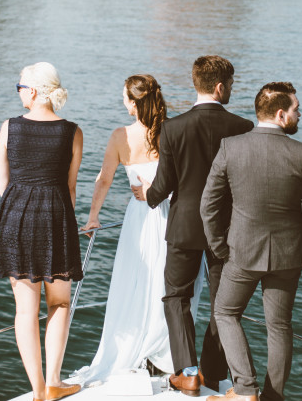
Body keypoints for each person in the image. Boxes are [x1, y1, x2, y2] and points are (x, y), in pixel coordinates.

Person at [72, 74, 205, 384]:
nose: (122, 102)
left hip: (141, 218)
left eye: (124, 97)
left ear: (133, 104)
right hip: (177, 217)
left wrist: (93, 216)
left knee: (138, 281)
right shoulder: (176, 131)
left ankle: (140, 348)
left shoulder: (121, 136)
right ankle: (169, 354)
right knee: (171, 287)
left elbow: (103, 180)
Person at [200, 82, 302, 401]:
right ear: (281, 114)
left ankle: (244, 389)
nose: (300, 114)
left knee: (226, 313)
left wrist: (218, 246)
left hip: (241, 252)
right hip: (289, 255)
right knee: (279, 326)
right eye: (297, 109)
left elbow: (208, 205)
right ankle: (272, 397)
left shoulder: (231, 147)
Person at [142, 55, 254, 396]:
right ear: (220, 87)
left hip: (184, 227)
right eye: (231, 84)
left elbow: (163, 186)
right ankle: (213, 371)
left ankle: (187, 372)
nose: (232, 90)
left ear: (196, 84)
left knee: (176, 297)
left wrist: (147, 195)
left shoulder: (173, 128)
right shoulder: (243, 127)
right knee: (225, 304)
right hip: (228, 229)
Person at [0, 62, 83, 401]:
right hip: (57, 219)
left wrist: (21, 203)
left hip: (15, 220)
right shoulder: (72, 131)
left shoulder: (9, 128)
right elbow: (70, 188)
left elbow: (2, 184)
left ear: (32, 91)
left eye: (19, 86)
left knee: (25, 312)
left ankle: (38, 391)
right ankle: (55, 381)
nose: (18, 92)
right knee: (59, 304)